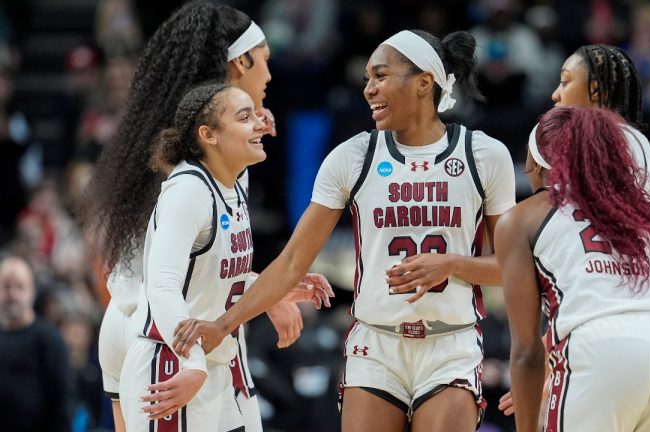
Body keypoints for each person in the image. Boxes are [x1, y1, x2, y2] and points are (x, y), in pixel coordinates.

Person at [172, 29, 518, 431]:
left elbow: (512, 267)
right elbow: (291, 263)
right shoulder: (353, 156)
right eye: (367, 78)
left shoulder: (483, 155)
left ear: (424, 82)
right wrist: (223, 324)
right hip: (375, 346)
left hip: (451, 344)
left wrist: (453, 264)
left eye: (381, 76)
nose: (368, 89)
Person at [82, 2, 308, 431]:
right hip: (163, 336)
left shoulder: (193, 140)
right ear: (241, 61)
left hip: (146, 323)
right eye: (265, 60)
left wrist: (269, 291)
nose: (270, 75)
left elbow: (212, 264)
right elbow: (170, 280)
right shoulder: (195, 174)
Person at [119, 83, 329, 431]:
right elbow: (162, 285)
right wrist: (194, 363)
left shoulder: (228, 187)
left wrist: (274, 290)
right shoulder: (188, 191)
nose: (260, 124)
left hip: (215, 364)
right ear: (209, 135)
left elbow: (213, 276)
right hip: (173, 365)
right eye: (245, 118)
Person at [497, 42, 650, 419]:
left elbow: (567, 263)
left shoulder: (595, 149)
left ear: (594, 92)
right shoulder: (641, 148)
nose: (555, 94)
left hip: (602, 348)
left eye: (565, 82)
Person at [0, 254, 74, 431]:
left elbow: (64, 402)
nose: (12, 294)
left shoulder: (48, 338)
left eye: (20, 287)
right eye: (6, 286)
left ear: (32, 292)